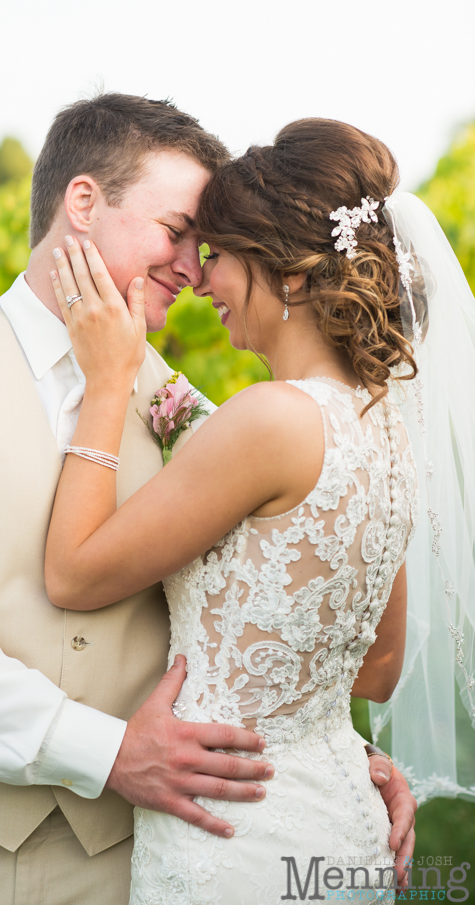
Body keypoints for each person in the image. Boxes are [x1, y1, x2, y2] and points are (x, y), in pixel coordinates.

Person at [0, 98, 415, 905]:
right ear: (82, 204)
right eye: (176, 232)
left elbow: (280, 606)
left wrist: (331, 761)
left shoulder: (202, 418)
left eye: (206, 245)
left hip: (147, 860)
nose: (193, 266)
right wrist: (111, 754)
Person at [43, 117, 427, 902]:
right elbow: (379, 669)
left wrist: (109, 383)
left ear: (285, 273)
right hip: (339, 826)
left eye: (217, 255)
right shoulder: (384, 423)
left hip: (235, 840)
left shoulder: (269, 420)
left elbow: (73, 575)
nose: (201, 278)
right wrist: (316, 737)